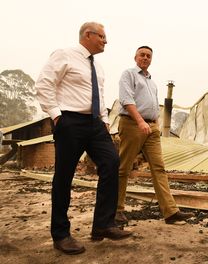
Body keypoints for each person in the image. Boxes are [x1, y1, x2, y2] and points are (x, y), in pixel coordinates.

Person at [35, 22, 131, 255]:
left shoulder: (98, 66)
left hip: (95, 124)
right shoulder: (64, 55)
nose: (105, 41)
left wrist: (104, 120)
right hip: (70, 122)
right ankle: (61, 234)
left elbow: (98, 95)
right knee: (64, 176)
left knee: (111, 163)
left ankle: (103, 225)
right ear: (88, 35)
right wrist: (57, 116)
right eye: (102, 36)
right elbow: (44, 84)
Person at [117, 46, 194, 225]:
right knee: (123, 169)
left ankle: (170, 212)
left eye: (148, 56)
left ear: (151, 59)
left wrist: (156, 125)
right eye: (142, 55)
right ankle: (117, 210)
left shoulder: (151, 82)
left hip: (151, 127)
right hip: (132, 124)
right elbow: (126, 100)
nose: (145, 58)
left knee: (159, 168)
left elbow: (153, 106)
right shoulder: (128, 74)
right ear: (135, 57)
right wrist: (140, 121)